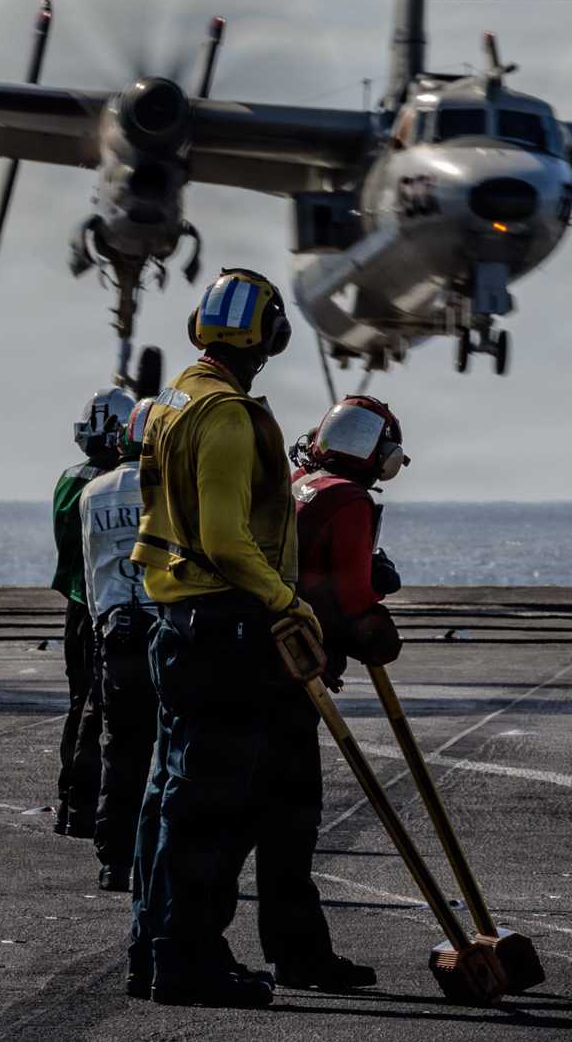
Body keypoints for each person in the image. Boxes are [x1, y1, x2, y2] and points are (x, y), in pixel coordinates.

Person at [125, 267, 368, 1008]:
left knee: (167, 799)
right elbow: (229, 539)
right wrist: (286, 599)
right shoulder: (227, 415)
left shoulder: (172, 400)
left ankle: (153, 949)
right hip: (224, 627)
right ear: (269, 339)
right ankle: (189, 962)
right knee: (207, 809)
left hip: (172, 623)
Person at [78, 396, 160, 892]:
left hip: (113, 630)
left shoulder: (94, 492)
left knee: (121, 751)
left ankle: (114, 860)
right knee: (172, 755)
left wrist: (98, 622)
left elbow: (91, 571)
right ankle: (159, 857)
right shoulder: (172, 490)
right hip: (163, 629)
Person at [51, 386, 134, 837]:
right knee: (102, 710)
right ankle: (89, 803)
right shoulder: (115, 488)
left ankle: (71, 802)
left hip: (76, 607)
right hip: (105, 607)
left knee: (78, 702)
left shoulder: (69, 480)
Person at [289, 395, 410, 692]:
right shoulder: (350, 500)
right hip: (310, 627)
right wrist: (378, 580)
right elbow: (353, 597)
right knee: (383, 641)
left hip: (282, 613)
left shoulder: (300, 479)